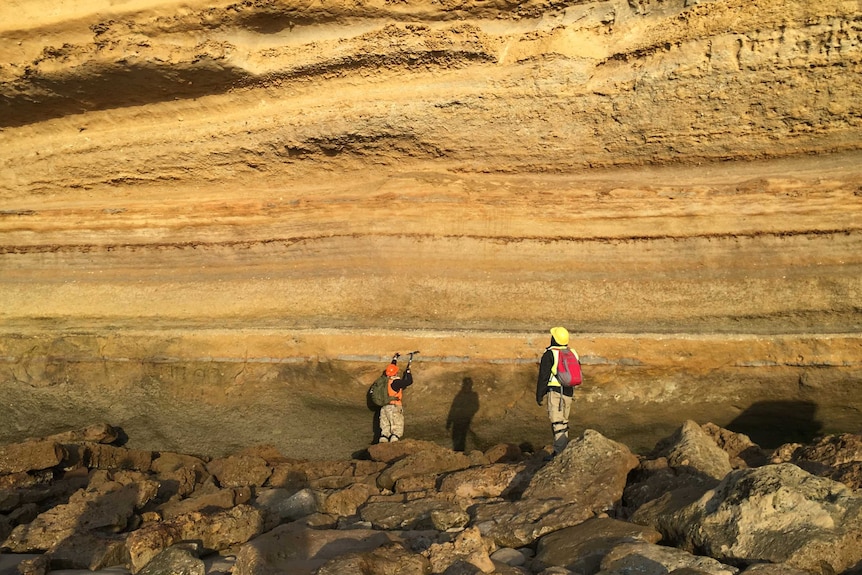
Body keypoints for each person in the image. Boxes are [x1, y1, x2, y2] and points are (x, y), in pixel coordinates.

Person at [536, 326, 579, 457]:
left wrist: (539, 395)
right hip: (569, 391)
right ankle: (562, 450)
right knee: (564, 422)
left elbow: (543, 376)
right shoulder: (572, 352)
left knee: (557, 423)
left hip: (556, 392)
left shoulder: (550, 354)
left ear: (554, 339)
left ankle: (559, 454)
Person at [378, 353, 414, 443]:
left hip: (384, 407)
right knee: (396, 428)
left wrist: (395, 359)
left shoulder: (383, 381)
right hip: (394, 407)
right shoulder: (396, 383)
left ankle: (383, 442)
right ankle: (394, 444)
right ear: (395, 373)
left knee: (385, 429)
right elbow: (409, 382)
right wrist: (408, 373)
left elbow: (391, 368)